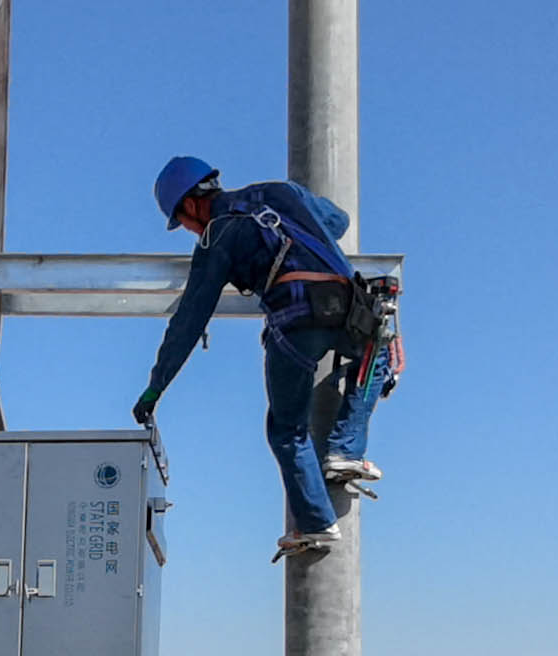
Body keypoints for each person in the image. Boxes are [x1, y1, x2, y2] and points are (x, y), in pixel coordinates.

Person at [132, 154, 385, 562]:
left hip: (296, 322)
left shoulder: (217, 236)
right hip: (350, 308)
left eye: (185, 222)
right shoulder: (280, 192)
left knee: (287, 430)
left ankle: (318, 522)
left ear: (192, 205)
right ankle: (345, 450)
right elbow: (337, 222)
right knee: (379, 358)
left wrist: (155, 386)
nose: (191, 230)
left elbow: (189, 320)